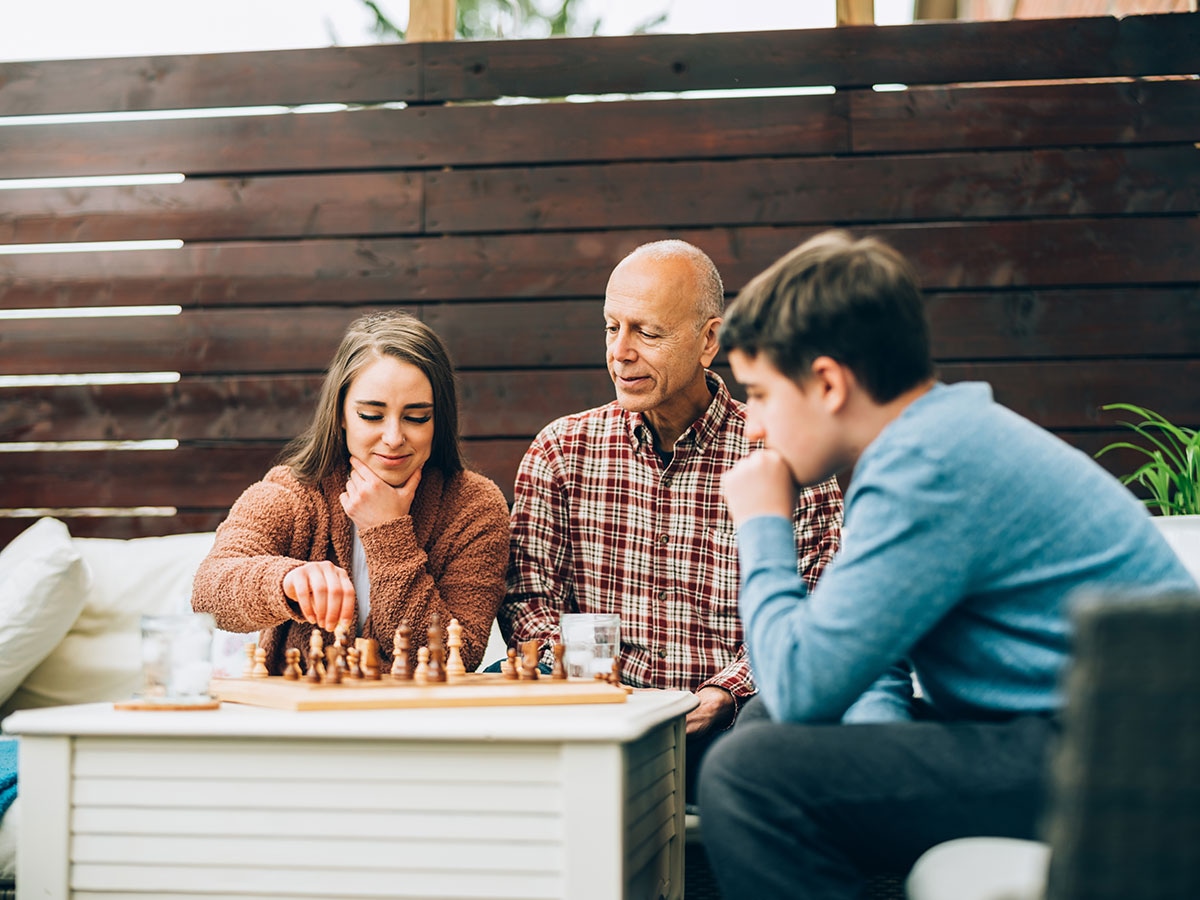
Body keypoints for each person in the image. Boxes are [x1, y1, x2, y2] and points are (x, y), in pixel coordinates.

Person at [698, 230, 1199, 898]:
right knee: (769, 729)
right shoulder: (922, 448)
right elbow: (860, 663)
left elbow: (798, 681)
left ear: (827, 382)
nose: (752, 428)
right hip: (1070, 741)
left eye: (759, 394)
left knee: (748, 773)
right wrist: (875, 755)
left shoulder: (929, 467)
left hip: (1128, 764)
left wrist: (763, 524)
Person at [500, 239, 844, 797]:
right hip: (595, 718)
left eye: (647, 332)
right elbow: (528, 603)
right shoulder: (560, 451)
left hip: (732, 725)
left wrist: (728, 692)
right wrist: (598, 692)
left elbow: (813, 610)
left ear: (709, 340)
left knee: (777, 733)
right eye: (611, 328)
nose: (621, 352)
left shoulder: (787, 455)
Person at [193, 311, 510, 675]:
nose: (393, 438)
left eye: (417, 417)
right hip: (304, 719)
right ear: (340, 413)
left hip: (421, 722)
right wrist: (285, 580)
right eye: (372, 416)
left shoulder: (474, 505)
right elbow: (209, 593)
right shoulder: (292, 492)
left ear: (440, 419)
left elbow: (460, 654)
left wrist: (388, 532)